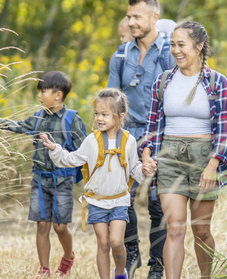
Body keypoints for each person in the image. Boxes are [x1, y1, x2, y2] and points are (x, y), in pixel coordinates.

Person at [140, 21, 227, 279]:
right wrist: (146, 155)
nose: (175, 50)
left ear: (199, 46)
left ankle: (206, 277)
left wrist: (213, 165)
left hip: (204, 157)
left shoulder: (218, 82)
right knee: (175, 228)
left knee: (201, 231)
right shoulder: (163, 81)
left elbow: (225, 131)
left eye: (181, 44)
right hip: (170, 156)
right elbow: (151, 127)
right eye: (172, 45)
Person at [0, 71, 85, 278]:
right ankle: (44, 270)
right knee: (42, 225)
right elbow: (16, 126)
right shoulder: (38, 117)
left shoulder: (72, 120)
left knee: (60, 228)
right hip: (40, 179)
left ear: (58, 95)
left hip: (63, 181)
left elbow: (86, 151)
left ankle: (68, 256)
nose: (39, 96)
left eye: (43, 91)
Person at [41, 88, 157, 279]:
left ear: (120, 116)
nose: (99, 118)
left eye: (104, 114)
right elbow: (71, 159)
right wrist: (55, 149)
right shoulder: (91, 141)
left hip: (119, 201)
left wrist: (145, 171)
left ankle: (120, 272)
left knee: (116, 242)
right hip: (96, 202)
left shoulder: (129, 141)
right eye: (97, 114)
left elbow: (134, 170)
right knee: (103, 243)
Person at [108, 0, 174, 279]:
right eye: (129, 16)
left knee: (159, 205)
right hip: (128, 136)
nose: (131, 22)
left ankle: (157, 265)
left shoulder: (172, 53)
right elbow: (112, 101)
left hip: (163, 136)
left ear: (154, 17)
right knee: (124, 200)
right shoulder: (121, 55)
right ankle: (131, 252)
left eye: (137, 16)